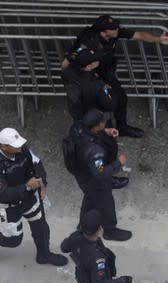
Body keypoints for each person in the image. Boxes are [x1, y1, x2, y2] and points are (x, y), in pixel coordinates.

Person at [64, 15, 168, 137]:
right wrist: (77, 78)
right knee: (97, 104)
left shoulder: (115, 33)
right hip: (90, 74)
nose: (117, 29)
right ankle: (96, 133)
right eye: (113, 28)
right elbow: (67, 62)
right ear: (103, 32)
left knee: (120, 98)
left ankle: (121, 127)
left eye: (116, 26)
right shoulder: (89, 41)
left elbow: (139, 35)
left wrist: (158, 40)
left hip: (106, 70)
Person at [0, 128, 68, 266]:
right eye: (16, 145)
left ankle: (44, 255)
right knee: (14, 240)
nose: (21, 146)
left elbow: (37, 164)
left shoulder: (21, 149)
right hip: (9, 207)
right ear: (4, 147)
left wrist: (41, 183)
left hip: (29, 199)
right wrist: (28, 186)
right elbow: (2, 194)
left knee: (41, 228)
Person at [61, 48, 129, 191]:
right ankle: (109, 178)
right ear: (89, 66)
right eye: (94, 61)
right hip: (96, 115)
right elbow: (111, 104)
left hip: (78, 115)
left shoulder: (68, 73)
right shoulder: (96, 85)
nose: (97, 61)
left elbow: (65, 65)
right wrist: (109, 90)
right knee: (107, 146)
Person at [68, 108, 132, 241]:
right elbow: (100, 174)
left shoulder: (77, 127)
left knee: (90, 198)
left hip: (81, 173)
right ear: (96, 126)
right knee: (106, 202)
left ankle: (83, 226)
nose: (105, 123)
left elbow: (89, 134)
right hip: (92, 178)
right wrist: (118, 163)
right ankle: (110, 230)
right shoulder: (94, 152)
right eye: (103, 122)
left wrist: (105, 132)